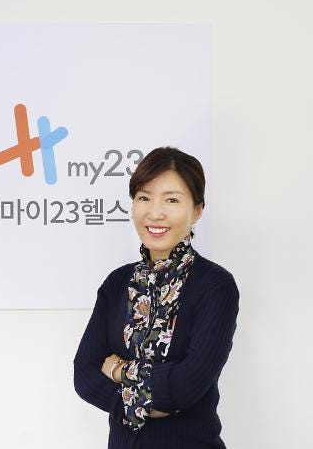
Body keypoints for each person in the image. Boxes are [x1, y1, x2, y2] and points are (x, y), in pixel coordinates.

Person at [73, 146, 240, 449]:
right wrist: (141, 403)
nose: (155, 212)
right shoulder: (117, 283)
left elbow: (186, 387)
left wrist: (117, 370)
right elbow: (84, 374)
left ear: (197, 211)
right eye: (144, 198)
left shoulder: (216, 286)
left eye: (171, 200)